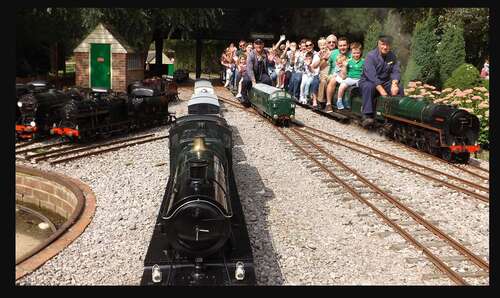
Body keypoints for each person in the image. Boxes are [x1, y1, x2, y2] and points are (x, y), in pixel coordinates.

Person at [358, 35, 403, 126]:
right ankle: (367, 115)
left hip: (385, 82)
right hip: (368, 81)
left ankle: (398, 114)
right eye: (383, 44)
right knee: (369, 87)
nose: (385, 47)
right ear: (378, 44)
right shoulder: (370, 56)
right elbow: (372, 76)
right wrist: (382, 91)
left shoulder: (392, 56)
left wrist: (394, 84)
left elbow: (396, 71)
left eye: (387, 45)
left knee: (400, 88)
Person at [240, 39, 275, 106]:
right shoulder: (251, 54)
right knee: (245, 81)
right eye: (257, 44)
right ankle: (244, 97)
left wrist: (271, 61)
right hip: (251, 73)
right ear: (254, 45)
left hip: (262, 73)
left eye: (260, 44)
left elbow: (272, 64)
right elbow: (249, 69)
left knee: (268, 80)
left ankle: (267, 99)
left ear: (263, 45)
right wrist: (253, 81)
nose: (259, 45)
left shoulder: (266, 52)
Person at [325, 37, 351, 112]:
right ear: (338, 46)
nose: (342, 47)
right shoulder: (333, 53)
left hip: (347, 75)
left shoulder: (352, 54)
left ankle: (346, 104)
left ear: (348, 45)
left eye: (344, 45)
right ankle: (328, 104)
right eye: (340, 45)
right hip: (334, 75)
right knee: (333, 80)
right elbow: (324, 66)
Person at [336, 42, 365, 110]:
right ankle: (339, 101)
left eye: (357, 53)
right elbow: (344, 74)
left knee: (364, 87)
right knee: (342, 85)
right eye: (354, 53)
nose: (356, 55)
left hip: (359, 79)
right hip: (350, 78)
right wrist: (345, 66)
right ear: (351, 53)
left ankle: (363, 104)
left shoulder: (364, 61)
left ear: (360, 52)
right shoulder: (348, 61)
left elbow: (365, 71)